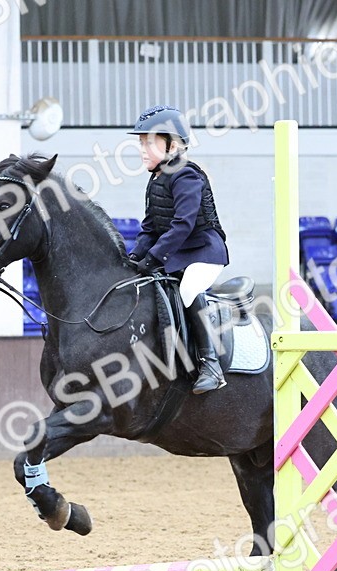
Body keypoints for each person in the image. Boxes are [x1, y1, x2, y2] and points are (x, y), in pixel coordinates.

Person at [127, 105, 228, 394]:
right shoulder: (157, 177)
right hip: (178, 253)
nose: (142, 150)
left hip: (204, 252)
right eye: (141, 143)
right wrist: (134, 257)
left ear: (172, 144)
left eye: (149, 142)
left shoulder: (186, 176)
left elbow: (182, 225)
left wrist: (154, 257)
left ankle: (211, 365)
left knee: (188, 290)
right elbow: (150, 227)